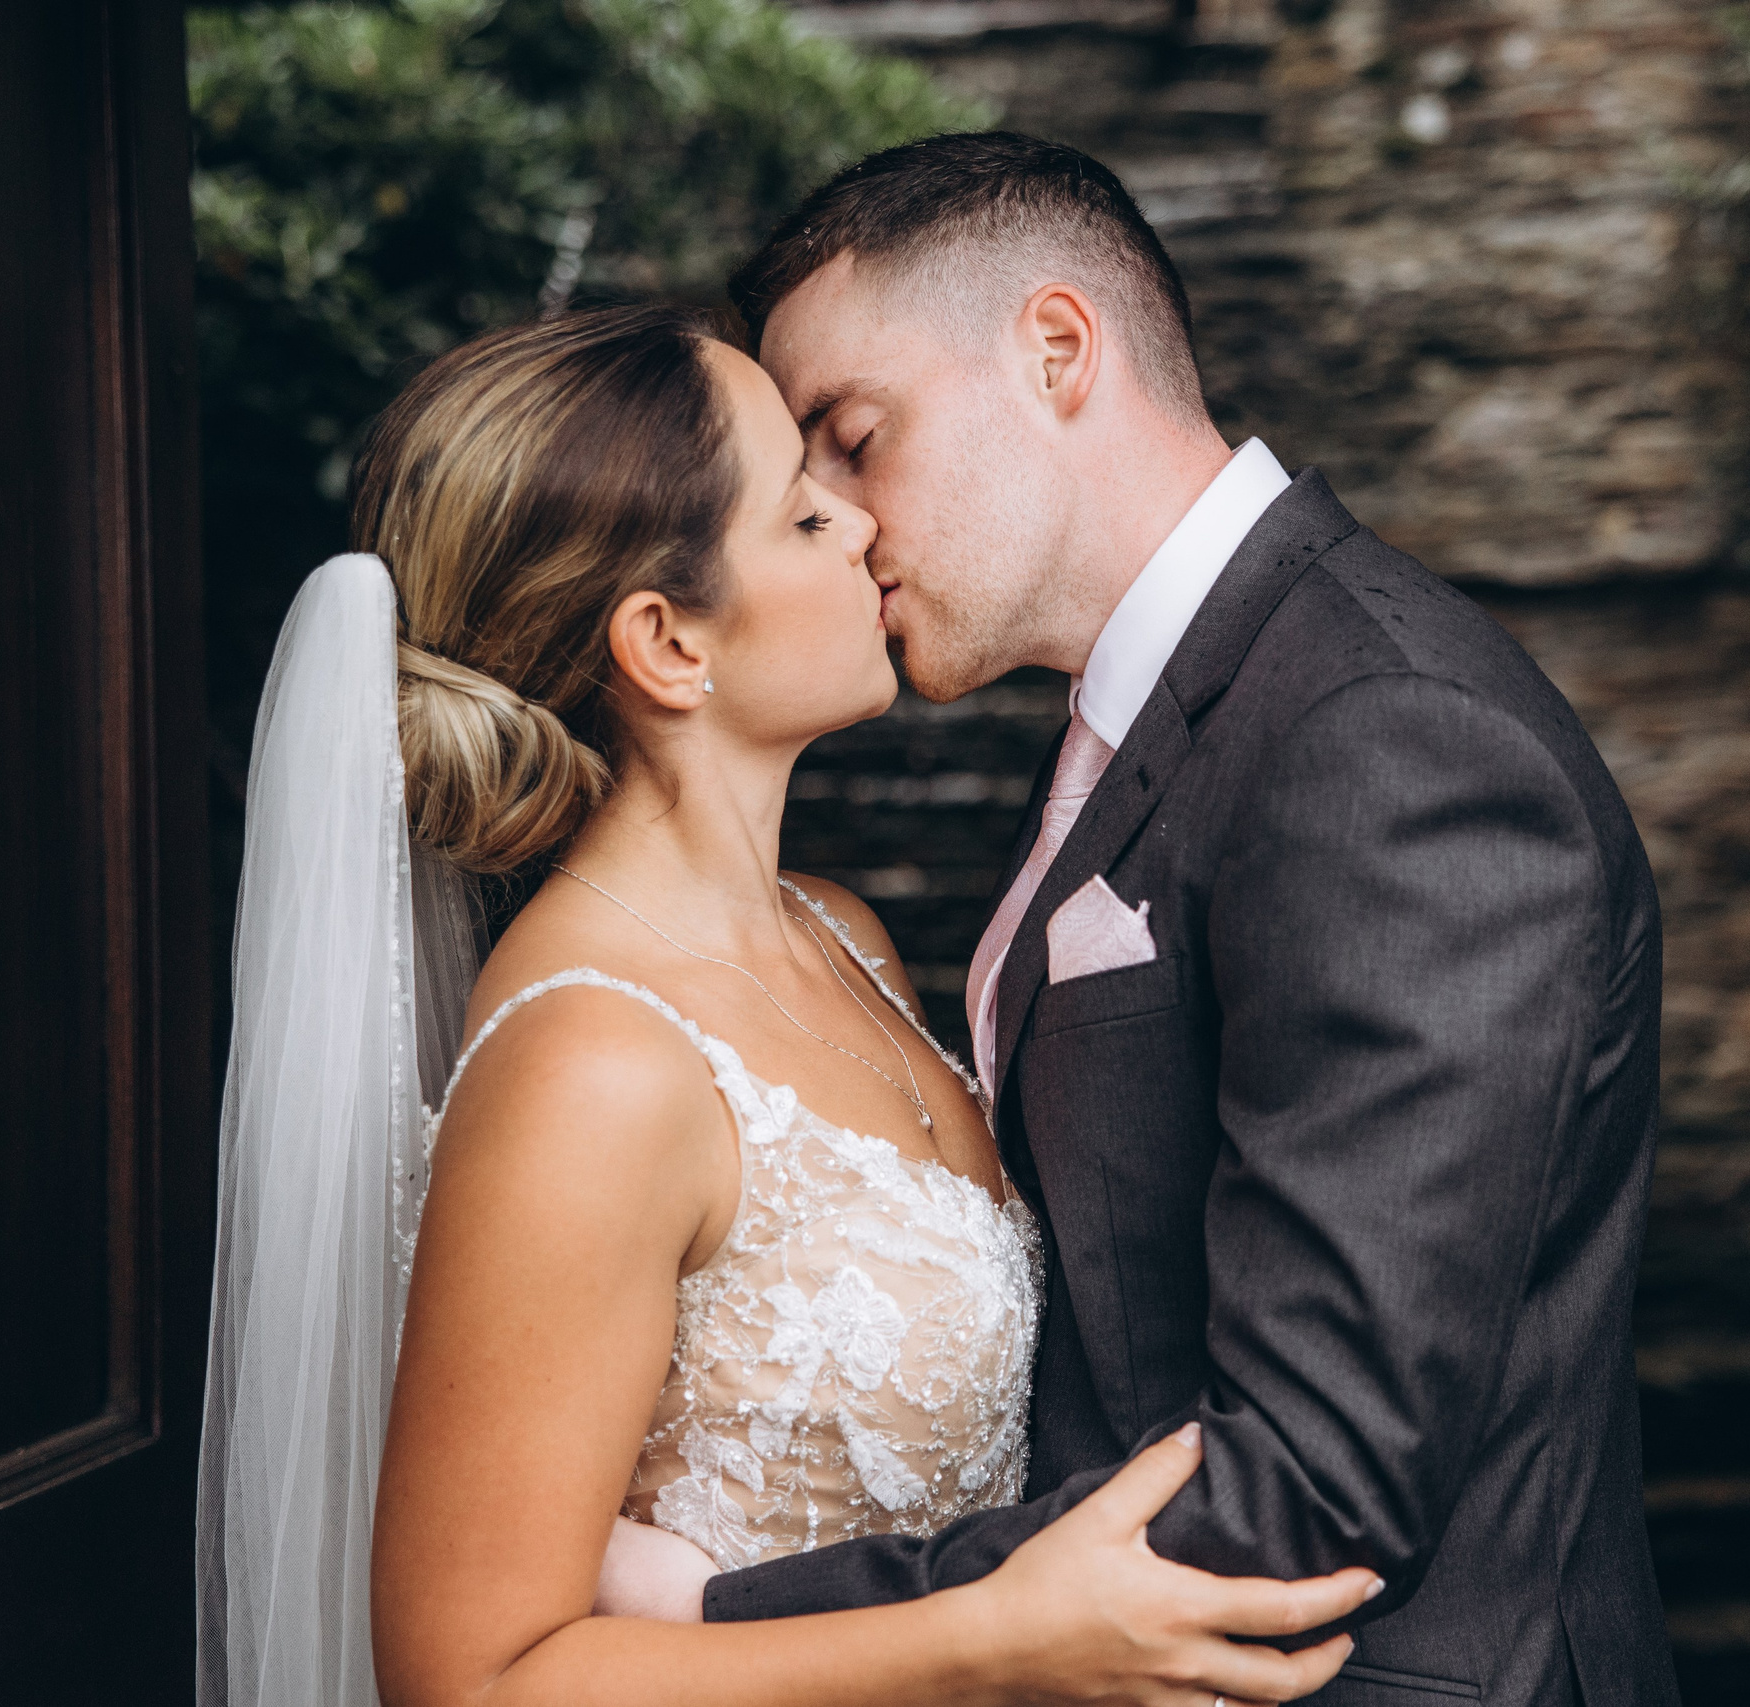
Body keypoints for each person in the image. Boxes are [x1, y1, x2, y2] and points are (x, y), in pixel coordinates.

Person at [607, 132, 1682, 1707]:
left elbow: (1308, 1493)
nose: (838, 522)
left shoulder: (1379, 738)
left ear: (1056, 350)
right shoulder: (1171, 715)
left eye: (854, 437)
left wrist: (732, 1609)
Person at [195, 303, 1378, 1707]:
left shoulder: (843, 937)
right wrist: (993, 1642)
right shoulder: (596, 1064)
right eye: (805, 513)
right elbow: (471, 1680)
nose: (868, 524)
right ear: (669, 647)